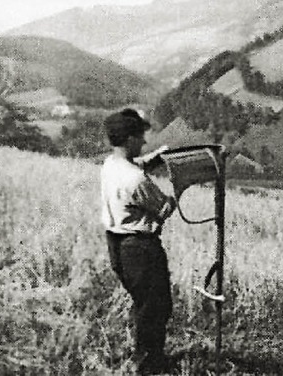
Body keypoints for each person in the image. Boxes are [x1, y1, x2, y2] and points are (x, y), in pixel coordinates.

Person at [100, 108, 179, 375]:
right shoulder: (136, 180)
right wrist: (182, 186)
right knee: (156, 306)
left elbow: (135, 166)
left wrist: (156, 158)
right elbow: (165, 209)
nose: (144, 142)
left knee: (143, 301)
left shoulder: (111, 164)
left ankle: (143, 353)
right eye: (140, 137)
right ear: (129, 139)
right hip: (141, 249)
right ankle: (150, 365)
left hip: (118, 245)